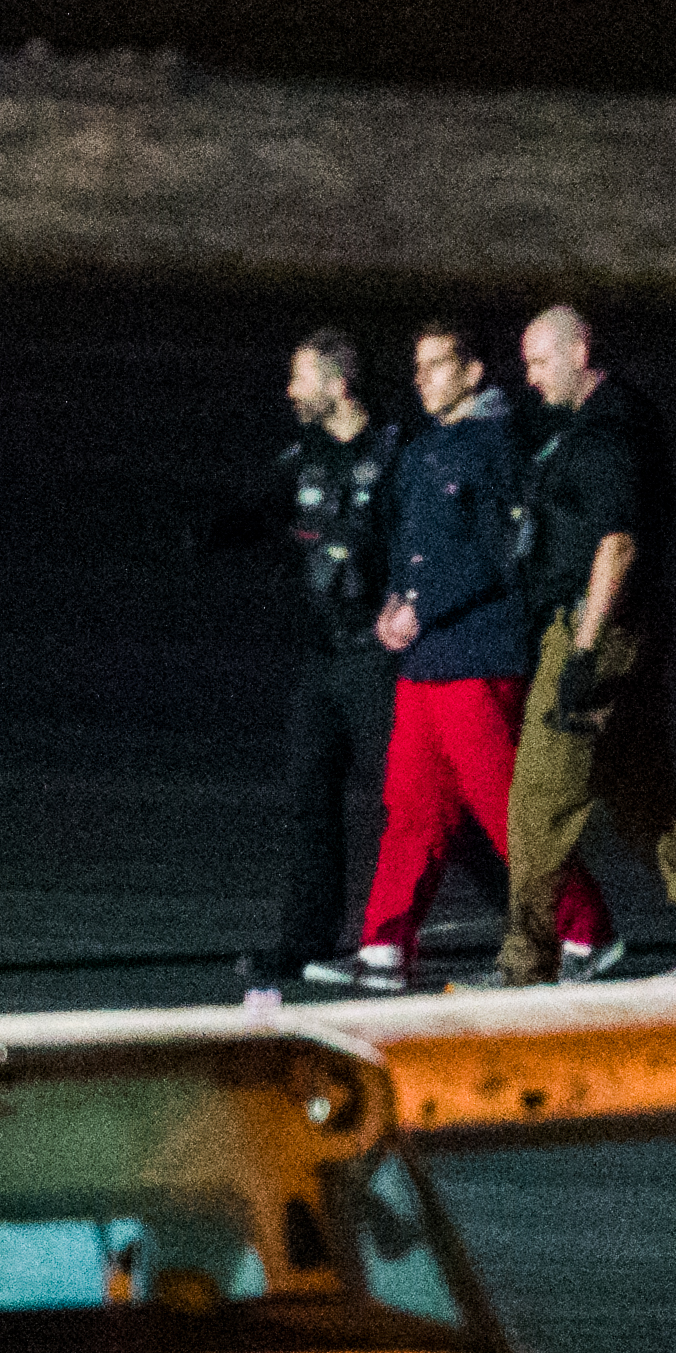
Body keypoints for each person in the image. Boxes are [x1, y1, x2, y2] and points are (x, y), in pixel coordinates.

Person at [306, 322, 614, 992]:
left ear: (472, 372)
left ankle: (586, 928)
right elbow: (411, 542)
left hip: (476, 653)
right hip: (426, 658)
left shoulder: (496, 447)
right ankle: (383, 949)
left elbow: (498, 554)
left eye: (436, 365)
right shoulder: (423, 451)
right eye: (416, 367)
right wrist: (394, 600)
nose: (421, 379)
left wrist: (426, 604)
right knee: (412, 802)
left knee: (503, 804)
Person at [199, 327, 501, 988]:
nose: (289, 390)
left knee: (423, 802)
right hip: (320, 658)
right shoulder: (303, 457)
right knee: (310, 798)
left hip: (376, 659)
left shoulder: (395, 455)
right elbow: (255, 510)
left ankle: (523, 907)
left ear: (336, 385)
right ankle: (304, 939)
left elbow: (420, 539)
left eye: (299, 377)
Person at [492, 303, 676, 985]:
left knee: (538, 799)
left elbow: (617, 543)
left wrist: (582, 653)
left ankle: (525, 964)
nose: (530, 377)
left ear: (579, 350)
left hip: (596, 628)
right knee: (647, 797)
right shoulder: (587, 426)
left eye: (540, 360)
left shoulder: (611, 431)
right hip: (612, 627)